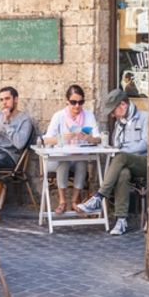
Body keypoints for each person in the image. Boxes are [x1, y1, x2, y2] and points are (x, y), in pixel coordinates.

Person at [77, 88, 148, 236]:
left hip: (144, 162)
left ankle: (98, 197)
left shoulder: (144, 117)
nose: (112, 114)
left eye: (113, 110)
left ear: (123, 105)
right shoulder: (118, 123)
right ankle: (121, 220)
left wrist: (123, 151)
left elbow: (145, 144)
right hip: (126, 164)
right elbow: (116, 144)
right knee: (123, 174)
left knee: (121, 157)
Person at [42, 84, 99, 213]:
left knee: (82, 163)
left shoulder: (88, 116)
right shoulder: (59, 116)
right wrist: (61, 138)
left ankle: (74, 201)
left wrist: (89, 138)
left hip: (79, 156)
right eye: (73, 102)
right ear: (67, 102)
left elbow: (98, 138)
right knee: (64, 161)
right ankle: (62, 201)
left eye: (80, 102)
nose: (77, 106)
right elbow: (46, 139)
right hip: (61, 158)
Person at [0, 86, 35, 176]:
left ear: (15, 99)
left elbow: (20, 144)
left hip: (9, 155)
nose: (4, 102)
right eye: (1, 100)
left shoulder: (25, 120)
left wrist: (7, 123)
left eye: (7, 99)